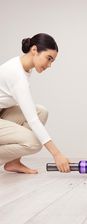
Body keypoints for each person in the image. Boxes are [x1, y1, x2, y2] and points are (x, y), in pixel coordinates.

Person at [0, 33, 70, 174]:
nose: (49, 65)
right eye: (48, 59)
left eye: (52, 61)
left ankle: (13, 162)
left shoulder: (22, 66)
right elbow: (32, 120)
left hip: (2, 114)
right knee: (34, 143)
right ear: (34, 50)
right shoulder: (17, 75)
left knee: (41, 111)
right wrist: (57, 154)